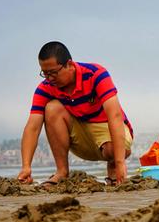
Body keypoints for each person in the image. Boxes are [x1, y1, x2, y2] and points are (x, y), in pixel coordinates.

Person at [18, 41, 133, 186]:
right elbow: (32, 127)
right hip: (79, 136)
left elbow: (114, 116)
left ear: (69, 64)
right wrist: (26, 167)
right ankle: (61, 171)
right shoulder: (46, 87)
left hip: (106, 129)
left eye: (53, 72)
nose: (49, 79)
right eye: (45, 73)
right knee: (52, 108)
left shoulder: (96, 74)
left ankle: (113, 166)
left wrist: (119, 162)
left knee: (112, 151)